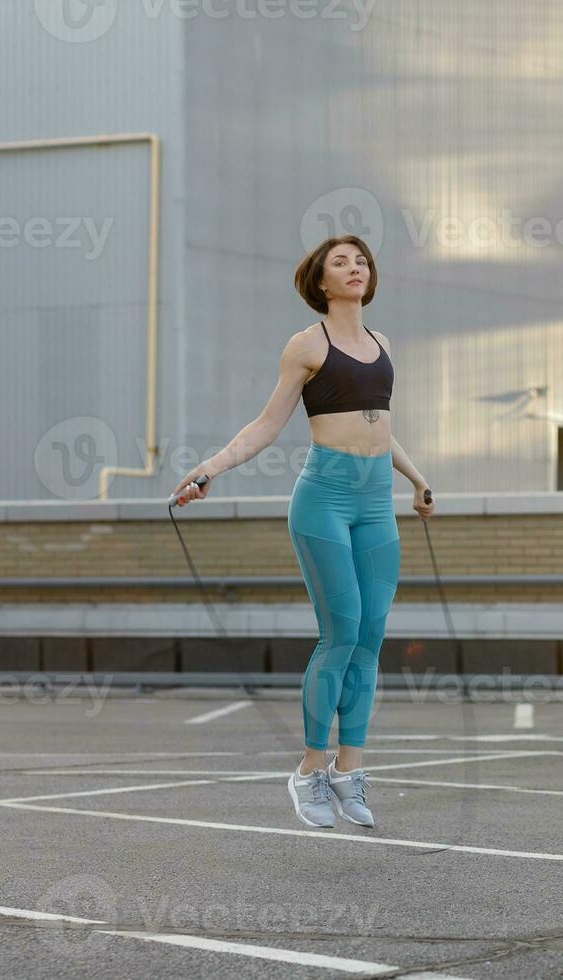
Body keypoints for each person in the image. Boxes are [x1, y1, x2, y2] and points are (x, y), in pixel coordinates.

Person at [170, 234, 434, 829]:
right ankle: (309, 771)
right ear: (320, 281)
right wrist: (211, 467)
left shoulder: (381, 343)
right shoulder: (305, 345)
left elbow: (376, 427)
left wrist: (417, 480)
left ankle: (349, 770)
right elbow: (267, 423)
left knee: (370, 640)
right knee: (339, 633)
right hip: (324, 500)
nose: (355, 267)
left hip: (376, 503)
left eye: (361, 259)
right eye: (341, 262)